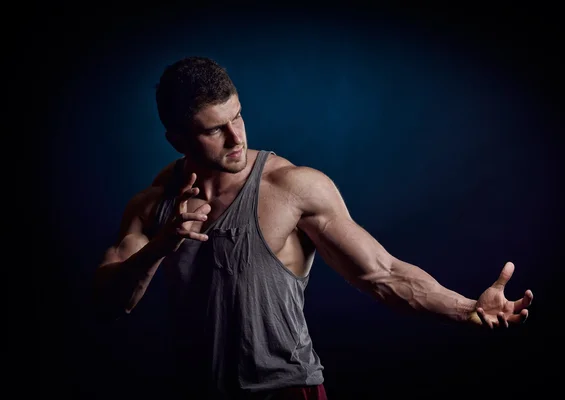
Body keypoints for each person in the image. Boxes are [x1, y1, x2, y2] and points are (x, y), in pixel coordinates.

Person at [92, 56, 534, 400]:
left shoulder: (291, 186)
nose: (236, 138)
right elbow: (110, 304)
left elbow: (382, 274)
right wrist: (157, 249)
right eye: (215, 130)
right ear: (177, 139)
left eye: (239, 116)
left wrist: (467, 308)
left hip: (285, 390)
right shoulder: (152, 205)